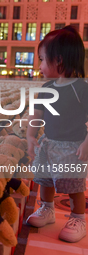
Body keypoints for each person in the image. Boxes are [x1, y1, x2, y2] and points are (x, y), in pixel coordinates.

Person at [26, 25, 88, 243]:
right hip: (49, 143)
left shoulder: (81, 88)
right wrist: (31, 136)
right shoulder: (46, 87)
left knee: (74, 184)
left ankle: (78, 218)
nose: (40, 65)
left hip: (73, 146)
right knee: (45, 180)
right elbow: (36, 115)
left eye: (43, 59)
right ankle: (47, 208)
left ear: (59, 60)